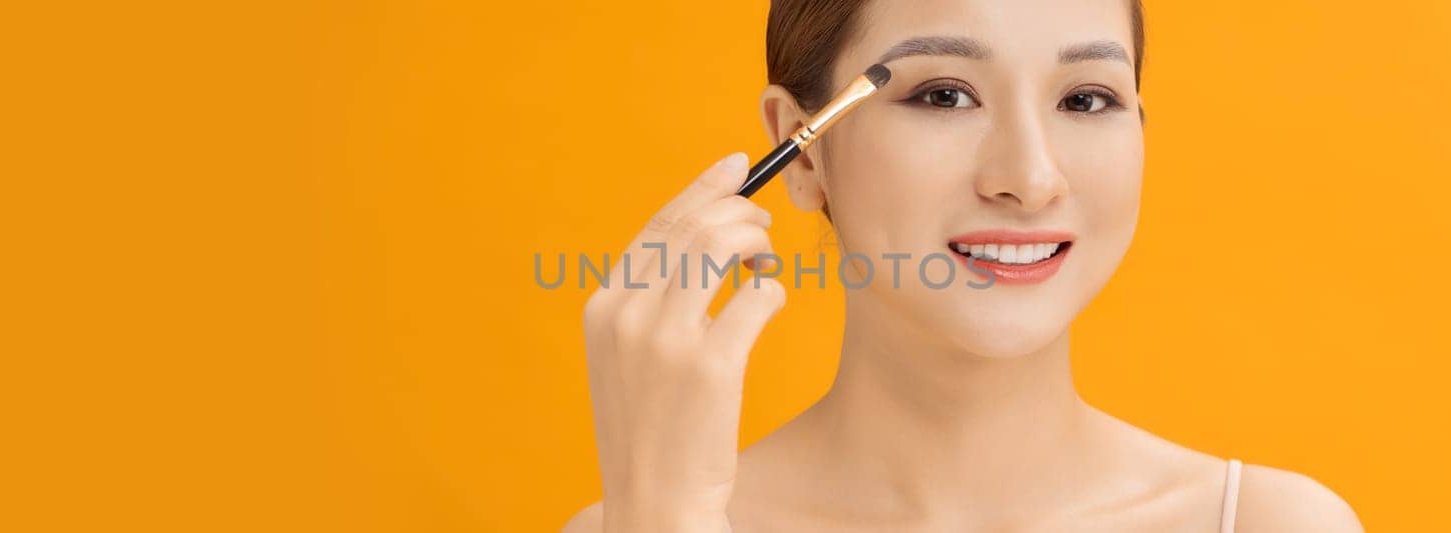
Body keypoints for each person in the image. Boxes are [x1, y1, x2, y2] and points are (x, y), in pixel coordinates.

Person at [566, 1, 1362, 531]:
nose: (1030, 176)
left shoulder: (1271, 523)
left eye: (1086, 99)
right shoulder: (640, 519)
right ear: (801, 152)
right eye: (944, 95)